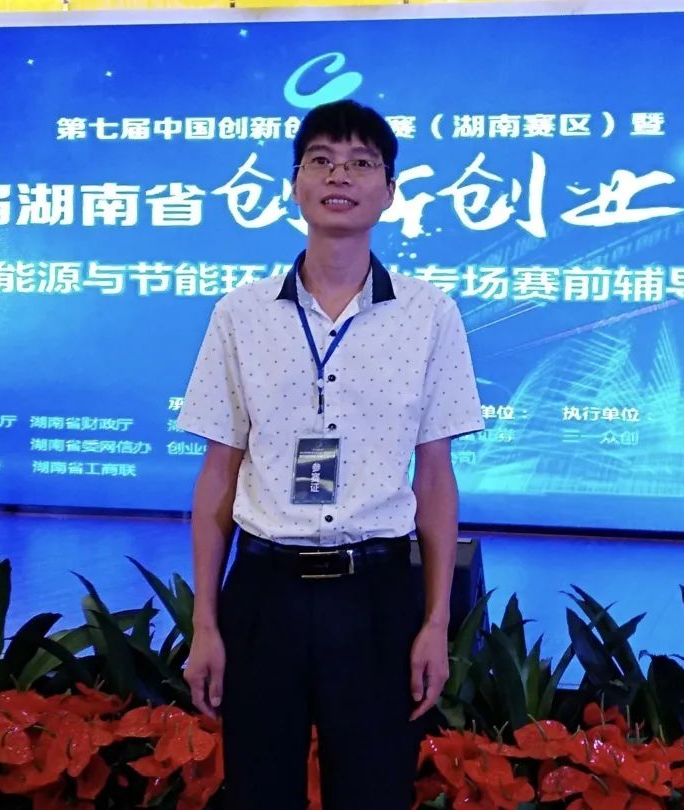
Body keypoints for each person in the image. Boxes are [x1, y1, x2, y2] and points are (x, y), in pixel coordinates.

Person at [176, 99, 484, 810]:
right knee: (259, 794)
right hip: (265, 593)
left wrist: (435, 622)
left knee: (374, 794)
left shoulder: (429, 314)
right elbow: (218, 473)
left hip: (376, 596)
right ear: (294, 184)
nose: (339, 176)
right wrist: (206, 623)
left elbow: (436, 478)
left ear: (390, 190)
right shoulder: (240, 313)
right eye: (321, 160)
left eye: (361, 162)